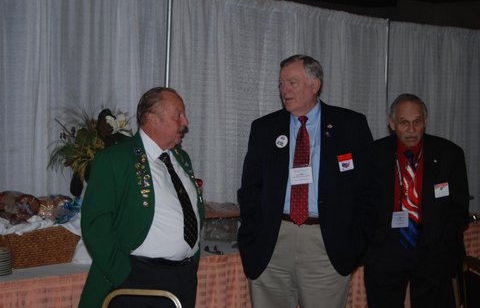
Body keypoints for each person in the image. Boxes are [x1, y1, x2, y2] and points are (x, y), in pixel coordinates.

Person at [237, 54, 378, 308]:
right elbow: (249, 190)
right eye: (281, 83)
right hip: (273, 242)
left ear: (315, 85)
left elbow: (369, 189)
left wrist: (356, 241)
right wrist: (252, 236)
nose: (284, 90)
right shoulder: (264, 128)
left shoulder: (350, 125)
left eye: (292, 82)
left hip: (326, 243)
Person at [79, 87, 205, 308]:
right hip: (139, 277)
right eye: (178, 115)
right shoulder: (115, 160)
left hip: (184, 278)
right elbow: (95, 225)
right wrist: (123, 275)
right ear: (152, 119)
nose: (185, 122)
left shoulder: (181, 158)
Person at [364, 93, 470, 308]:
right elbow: (363, 203)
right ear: (391, 124)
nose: (411, 130)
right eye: (404, 123)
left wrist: (442, 240)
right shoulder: (373, 154)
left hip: (432, 250)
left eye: (417, 122)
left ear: (425, 122)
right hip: (386, 249)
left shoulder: (450, 154)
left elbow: (459, 208)